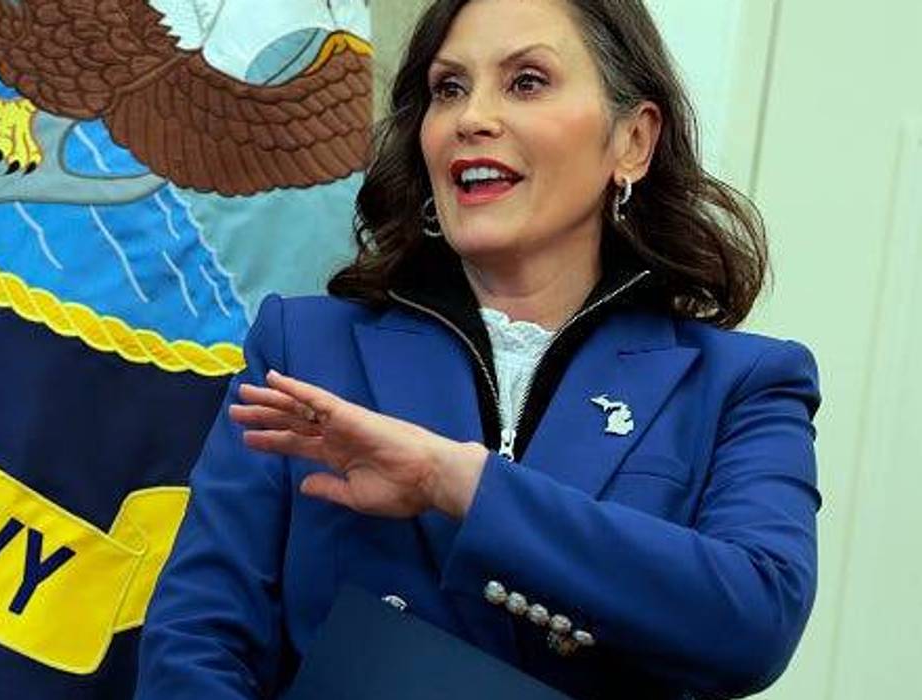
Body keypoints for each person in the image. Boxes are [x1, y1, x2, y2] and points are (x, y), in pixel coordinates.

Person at [134, 0, 820, 697]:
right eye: (448, 89)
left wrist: (457, 482)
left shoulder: (742, 383)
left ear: (632, 141)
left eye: (526, 81)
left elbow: (754, 622)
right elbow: (197, 641)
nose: (471, 119)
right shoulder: (304, 346)